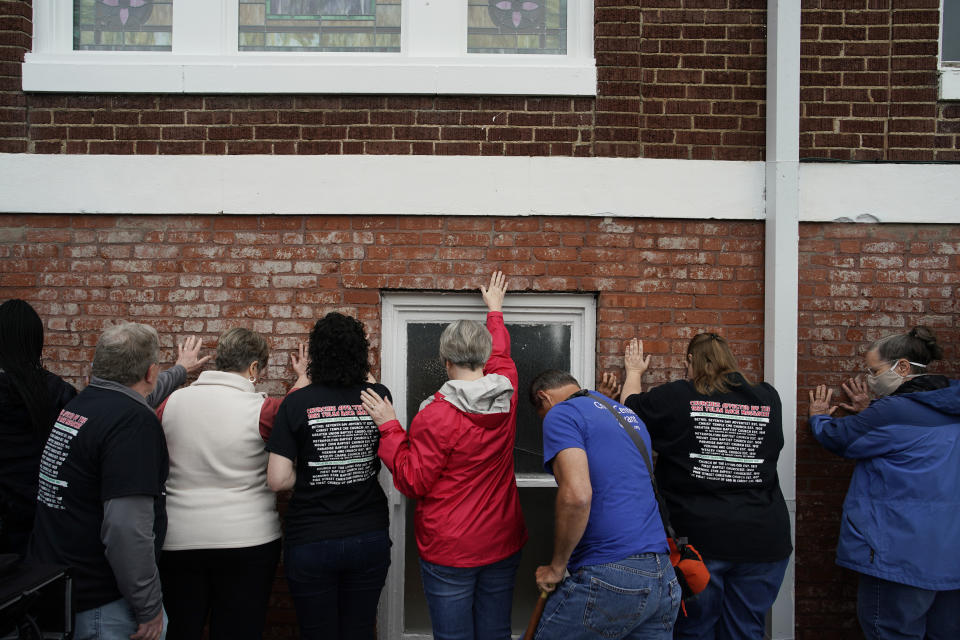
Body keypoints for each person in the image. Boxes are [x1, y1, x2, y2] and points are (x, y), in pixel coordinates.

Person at [360, 271, 528, 640]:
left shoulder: (435, 415)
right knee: (496, 633)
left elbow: (411, 481)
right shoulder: (507, 390)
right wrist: (495, 312)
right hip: (501, 540)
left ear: (445, 361)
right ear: (481, 356)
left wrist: (389, 426)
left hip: (450, 548)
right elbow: (500, 354)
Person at [614, 333, 792, 640]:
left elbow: (629, 413)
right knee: (747, 631)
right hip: (764, 538)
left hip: (702, 541)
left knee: (695, 630)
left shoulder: (679, 395)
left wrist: (633, 373)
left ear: (689, 363)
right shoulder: (767, 398)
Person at [0, 299, 206, 557]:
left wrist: (179, 371)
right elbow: (126, 526)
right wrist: (179, 370)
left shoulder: (70, 401)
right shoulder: (56, 394)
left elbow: (120, 399)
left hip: (36, 527)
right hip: (52, 532)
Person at [156, 328, 310, 640]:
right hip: (247, 541)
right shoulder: (262, 410)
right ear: (254, 368)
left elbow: (140, 407)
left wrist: (180, 370)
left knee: (181, 629)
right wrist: (303, 379)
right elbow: (291, 415)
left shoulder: (170, 403)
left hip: (178, 540)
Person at [808, 327, 960, 640]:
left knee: (891, 631)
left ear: (902, 367)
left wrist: (819, 417)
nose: (869, 377)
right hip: (949, 555)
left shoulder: (891, 411)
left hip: (898, 552)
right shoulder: (950, 403)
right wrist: (871, 412)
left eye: (873, 370)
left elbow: (840, 439)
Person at [29, 322, 171, 640]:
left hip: (66, 591)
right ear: (151, 373)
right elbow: (125, 528)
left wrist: (179, 372)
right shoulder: (133, 424)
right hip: (106, 604)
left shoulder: (80, 406)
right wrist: (148, 608)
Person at [266, 312, 393, 640]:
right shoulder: (377, 395)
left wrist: (310, 475)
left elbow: (278, 480)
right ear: (361, 353)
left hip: (311, 538)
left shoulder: (296, 404)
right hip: (368, 534)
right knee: (360, 630)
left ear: (316, 355)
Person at [526, 369, 678, 640]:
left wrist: (557, 568)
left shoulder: (561, 413)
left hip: (612, 574)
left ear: (544, 397)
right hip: (662, 576)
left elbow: (577, 496)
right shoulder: (625, 415)